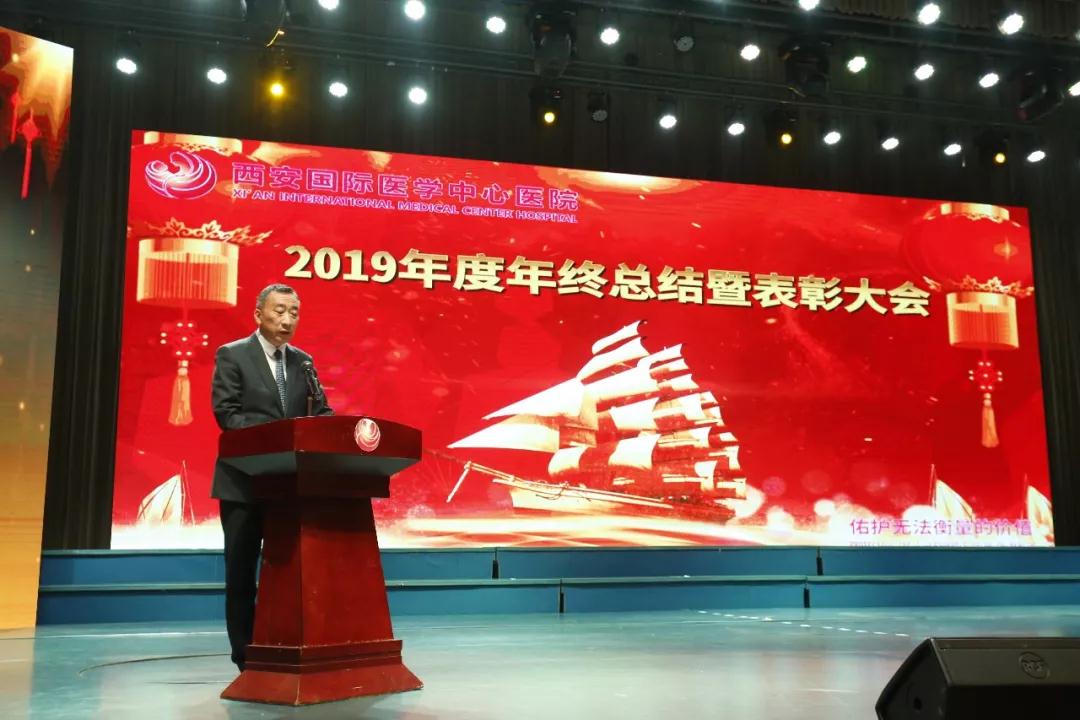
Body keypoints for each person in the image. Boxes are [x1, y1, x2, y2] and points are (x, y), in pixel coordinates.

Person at [210, 283, 333, 672]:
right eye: (279, 310)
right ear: (258, 314)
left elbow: (321, 412)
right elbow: (227, 414)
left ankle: (282, 646)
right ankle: (245, 658)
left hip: (288, 486)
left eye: (294, 312)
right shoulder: (232, 354)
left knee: (288, 572)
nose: (287, 319)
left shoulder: (303, 362)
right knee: (242, 574)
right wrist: (279, 436)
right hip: (243, 484)